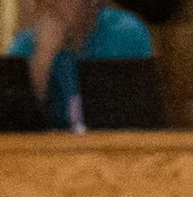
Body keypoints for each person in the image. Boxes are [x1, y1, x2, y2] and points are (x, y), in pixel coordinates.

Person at [10, 0, 153, 131]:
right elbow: (13, 125)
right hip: (48, 149)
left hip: (110, 146)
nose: (49, 4)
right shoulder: (25, 46)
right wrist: (43, 57)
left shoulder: (125, 33)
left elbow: (137, 120)